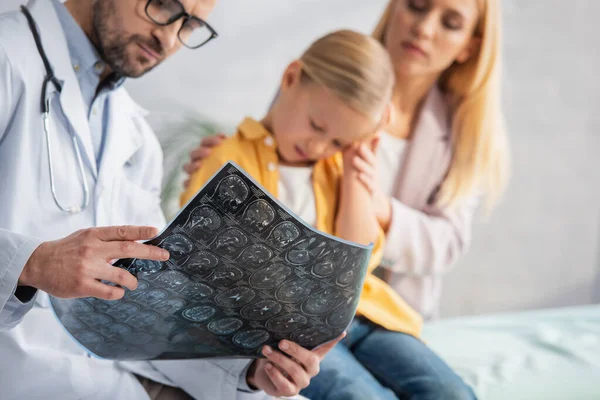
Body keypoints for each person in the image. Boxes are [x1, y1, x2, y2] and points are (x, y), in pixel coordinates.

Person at [0, 0, 338, 399]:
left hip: (112, 374)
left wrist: (250, 370)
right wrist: (31, 263)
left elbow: (145, 309)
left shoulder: (135, 136)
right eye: (163, 5)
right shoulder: (8, 55)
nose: (168, 36)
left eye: (190, 25)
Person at [181, 29, 475, 400]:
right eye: (317, 126)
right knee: (360, 396)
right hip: (291, 335)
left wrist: (355, 174)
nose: (320, 146)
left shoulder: (334, 166)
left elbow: (358, 258)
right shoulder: (227, 160)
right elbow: (200, 262)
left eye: (339, 140)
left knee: (451, 393)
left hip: (364, 316)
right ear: (290, 79)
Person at [184, 0, 509, 322]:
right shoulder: (333, 74)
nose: (423, 29)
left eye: (450, 24)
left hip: (389, 306)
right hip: (303, 305)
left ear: (470, 46)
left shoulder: (467, 131)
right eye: (416, 5)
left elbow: (447, 244)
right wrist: (223, 167)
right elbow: (272, 158)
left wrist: (378, 206)